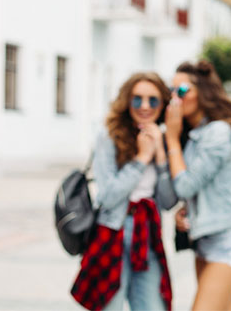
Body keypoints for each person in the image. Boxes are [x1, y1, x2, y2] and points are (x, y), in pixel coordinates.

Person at [71, 72, 177, 311]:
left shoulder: (163, 138)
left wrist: (160, 156)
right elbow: (107, 197)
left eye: (153, 100)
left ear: (163, 104)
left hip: (148, 235)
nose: (145, 106)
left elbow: (169, 201)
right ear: (127, 101)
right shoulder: (109, 136)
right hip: (113, 233)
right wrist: (141, 158)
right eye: (137, 99)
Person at [164, 60, 231, 311]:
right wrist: (186, 212)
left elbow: (185, 186)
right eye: (171, 91)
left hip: (228, 244)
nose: (174, 98)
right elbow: (191, 190)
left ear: (203, 92)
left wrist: (171, 138)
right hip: (205, 243)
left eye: (181, 91)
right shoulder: (193, 136)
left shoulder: (218, 133)